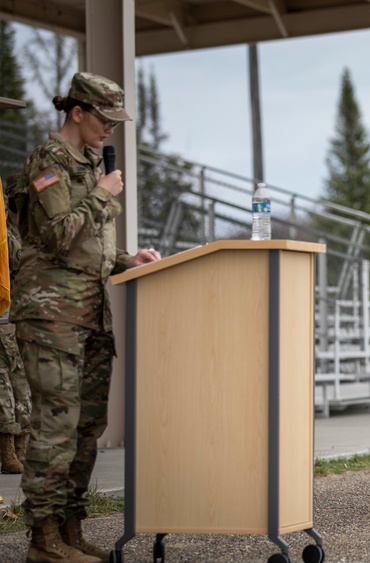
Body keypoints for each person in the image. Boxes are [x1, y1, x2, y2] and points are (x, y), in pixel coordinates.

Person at [11, 72, 160, 563]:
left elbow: (86, 248)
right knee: (56, 426)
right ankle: (43, 539)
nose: (112, 129)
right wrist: (101, 194)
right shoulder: (48, 161)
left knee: (85, 428)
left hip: (90, 314)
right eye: (106, 118)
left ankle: (71, 528)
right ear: (77, 112)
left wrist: (126, 260)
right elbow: (55, 236)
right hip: (52, 317)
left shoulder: (92, 163)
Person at [0, 176, 29, 475]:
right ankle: (8, 449)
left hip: (24, 320)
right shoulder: (5, 234)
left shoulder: (29, 232)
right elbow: (20, 259)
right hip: (5, 319)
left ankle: (22, 447)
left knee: (24, 386)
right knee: (4, 386)